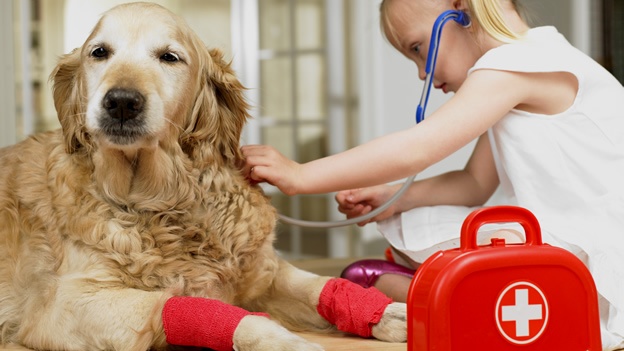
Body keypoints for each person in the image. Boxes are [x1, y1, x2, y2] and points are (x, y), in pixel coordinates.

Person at [242, 0, 624, 348]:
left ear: (460, 9)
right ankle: (460, 295)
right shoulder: (534, 60)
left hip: (594, 256)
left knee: (389, 270)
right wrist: (395, 197)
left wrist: (301, 175)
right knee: (422, 228)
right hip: (569, 239)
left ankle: (468, 301)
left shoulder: (515, 65)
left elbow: (417, 149)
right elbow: (474, 183)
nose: (423, 72)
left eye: (417, 48)